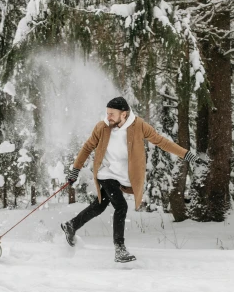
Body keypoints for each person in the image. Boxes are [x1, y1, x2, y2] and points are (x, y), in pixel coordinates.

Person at [61, 96, 206, 262]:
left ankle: (71, 226)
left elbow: (161, 141)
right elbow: (87, 147)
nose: (108, 117)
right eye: (107, 113)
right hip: (106, 173)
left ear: (124, 114)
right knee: (121, 206)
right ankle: (119, 248)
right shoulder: (102, 127)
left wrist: (186, 154)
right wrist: (75, 170)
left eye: (112, 114)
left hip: (123, 176)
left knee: (99, 206)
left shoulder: (138, 126)